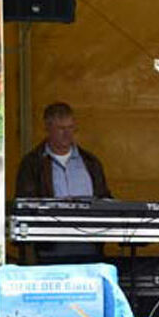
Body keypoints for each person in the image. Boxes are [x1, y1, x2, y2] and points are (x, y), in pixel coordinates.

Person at [14, 102, 112, 264]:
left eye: (71, 128)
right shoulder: (33, 163)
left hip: (89, 246)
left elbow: (104, 197)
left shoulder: (90, 162)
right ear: (48, 128)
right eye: (61, 128)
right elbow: (25, 203)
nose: (67, 134)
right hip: (49, 248)